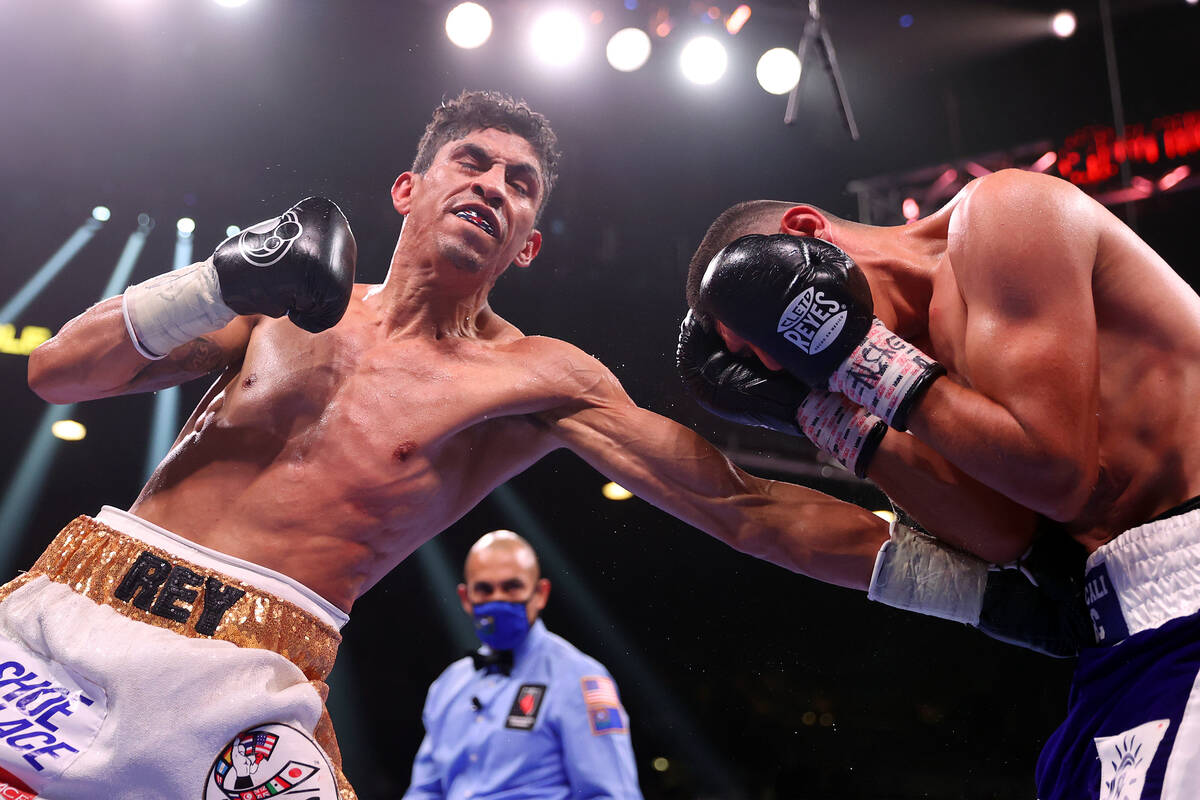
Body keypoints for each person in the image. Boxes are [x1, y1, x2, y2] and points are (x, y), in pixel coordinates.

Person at [18, 90, 921, 800]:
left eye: (520, 184)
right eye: (473, 162)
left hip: (245, 670)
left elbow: (746, 509)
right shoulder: (276, 304)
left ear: (528, 245)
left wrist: (969, 588)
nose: (493, 185)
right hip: (81, 601)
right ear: (408, 190)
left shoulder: (538, 380)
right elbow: (58, 370)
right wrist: (217, 280)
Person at [677, 169, 1200, 799]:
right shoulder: (924, 387)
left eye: (776, 334)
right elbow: (1009, 536)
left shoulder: (1006, 213)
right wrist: (826, 414)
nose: (781, 364)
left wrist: (855, 354)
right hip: (1120, 641)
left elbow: (1055, 475)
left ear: (807, 234)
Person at [403, 530, 641, 799]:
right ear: (466, 598)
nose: (498, 599)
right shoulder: (447, 686)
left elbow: (612, 794)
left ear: (540, 593)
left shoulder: (579, 677)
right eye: (484, 589)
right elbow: (424, 791)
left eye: (511, 587)